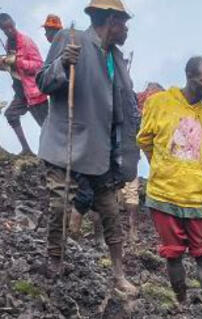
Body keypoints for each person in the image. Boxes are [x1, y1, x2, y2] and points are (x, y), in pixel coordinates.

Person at [36, 0, 138, 294]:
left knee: (110, 212)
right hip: (66, 141)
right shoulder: (71, 40)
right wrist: (62, 64)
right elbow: (43, 81)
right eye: (124, 24)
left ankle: (118, 274)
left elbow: (123, 106)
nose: (126, 30)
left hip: (100, 149)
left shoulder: (116, 59)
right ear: (110, 20)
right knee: (59, 204)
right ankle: (55, 260)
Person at [137, 57, 202, 319]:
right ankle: (182, 304)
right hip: (164, 195)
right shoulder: (159, 103)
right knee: (173, 253)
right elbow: (145, 140)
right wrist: (163, 168)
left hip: (198, 196)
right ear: (189, 77)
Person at [119, 82, 163, 244]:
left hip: (119, 147)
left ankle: (124, 228)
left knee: (119, 187)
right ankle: (132, 230)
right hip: (132, 146)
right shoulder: (143, 106)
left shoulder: (131, 100)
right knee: (131, 188)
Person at [0, 13, 47, 155]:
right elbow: (13, 70)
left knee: (47, 128)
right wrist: (4, 64)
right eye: (6, 29)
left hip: (34, 93)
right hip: (21, 93)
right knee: (11, 115)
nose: (10, 30)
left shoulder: (26, 41)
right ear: (2, 30)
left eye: (11, 27)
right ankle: (26, 149)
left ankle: (58, 157)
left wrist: (18, 62)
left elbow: (39, 65)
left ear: (14, 23)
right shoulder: (9, 44)